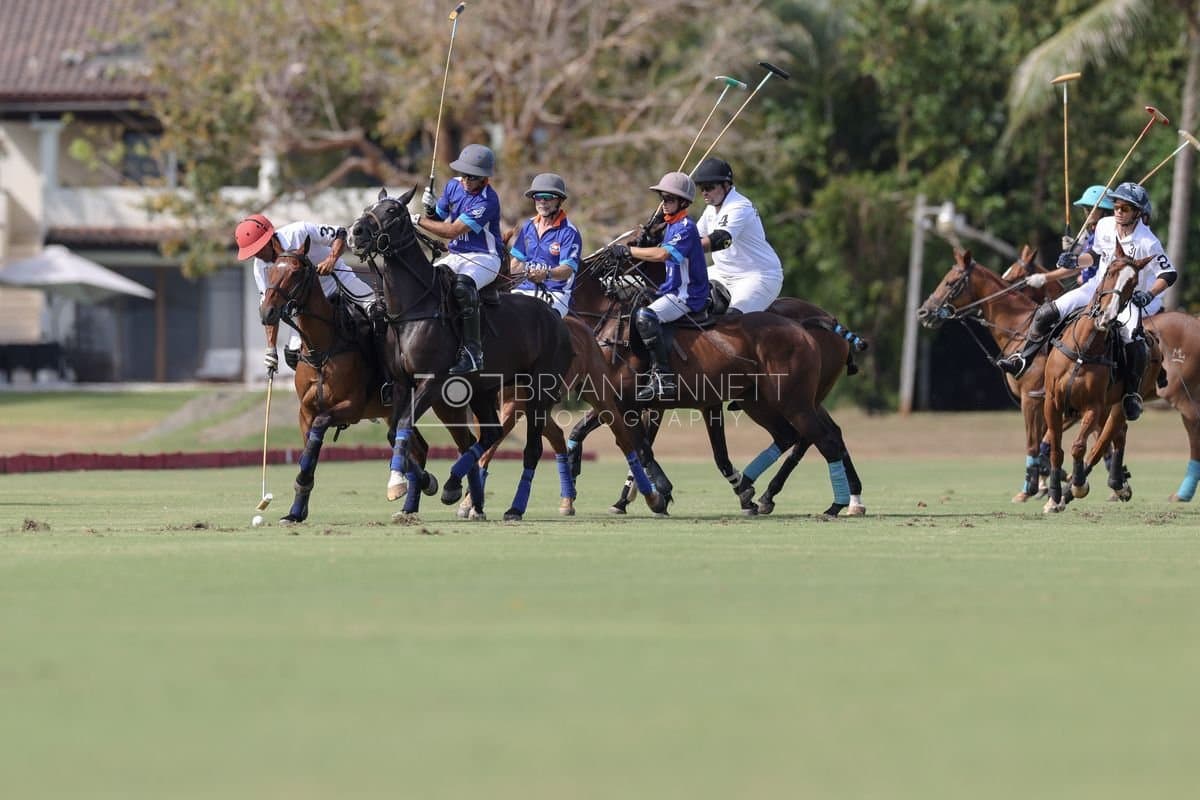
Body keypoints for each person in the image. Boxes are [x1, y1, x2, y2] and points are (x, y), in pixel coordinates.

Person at [998, 181, 1176, 420]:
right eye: (1116, 205)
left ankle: (1132, 394)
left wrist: (1150, 293)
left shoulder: (1148, 242)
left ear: (1138, 213)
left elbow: (1168, 273)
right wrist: (1075, 261)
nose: (1118, 211)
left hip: (1127, 297)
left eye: (1125, 207)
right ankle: (1023, 359)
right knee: (1046, 313)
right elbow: (1094, 255)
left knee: (1135, 340)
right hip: (1096, 288)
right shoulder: (1104, 225)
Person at [606, 171, 709, 401]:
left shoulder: (686, 227)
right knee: (633, 302)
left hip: (688, 295)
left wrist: (628, 251)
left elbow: (663, 254)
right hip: (671, 290)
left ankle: (663, 378)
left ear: (683, 202)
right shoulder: (670, 226)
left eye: (670, 199)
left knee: (645, 316)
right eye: (663, 198)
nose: (664, 204)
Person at [234, 214, 376, 374]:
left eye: (259, 249)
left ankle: (390, 376)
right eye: (253, 253)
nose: (257, 255)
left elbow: (340, 234)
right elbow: (269, 308)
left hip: (338, 280)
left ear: (269, 239)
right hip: (306, 303)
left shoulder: (299, 231)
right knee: (293, 355)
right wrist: (271, 349)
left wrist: (331, 259)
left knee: (377, 311)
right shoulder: (260, 268)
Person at [413, 143, 503, 375]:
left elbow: (452, 231)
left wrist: (416, 219)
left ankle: (473, 353)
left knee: (462, 286)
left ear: (483, 178)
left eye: (471, 176)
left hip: (485, 257)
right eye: (462, 173)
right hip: (456, 255)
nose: (464, 180)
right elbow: (439, 219)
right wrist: (430, 209)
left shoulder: (488, 201)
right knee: (423, 280)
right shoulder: (453, 186)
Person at [692, 156, 784, 313]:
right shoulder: (711, 209)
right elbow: (694, 237)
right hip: (722, 272)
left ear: (726, 185)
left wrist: (681, 249)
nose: (705, 193)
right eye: (702, 188)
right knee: (678, 293)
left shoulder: (738, 206)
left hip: (757, 276)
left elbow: (721, 239)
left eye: (709, 187)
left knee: (732, 321)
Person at [509, 173, 582, 318]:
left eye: (548, 197)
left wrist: (546, 274)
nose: (542, 202)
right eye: (538, 197)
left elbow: (567, 270)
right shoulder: (528, 226)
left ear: (559, 200)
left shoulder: (569, 232)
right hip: (524, 289)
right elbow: (516, 263)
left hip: (555, 294)